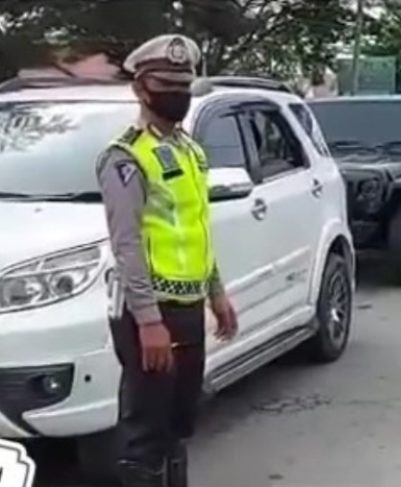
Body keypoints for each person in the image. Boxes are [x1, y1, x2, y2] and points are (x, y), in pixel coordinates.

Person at [96, 34, 238, 487]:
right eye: (165, 84)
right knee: (146, 431)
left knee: (179, 423)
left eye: (183, 84)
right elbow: (127, 246)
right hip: (149, 314)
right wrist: (148, 321)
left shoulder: (189, 150)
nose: (176, 93)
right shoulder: (125, 157)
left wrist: (216, 293)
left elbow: (195, 229)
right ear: (141, 89)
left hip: (187, 307)